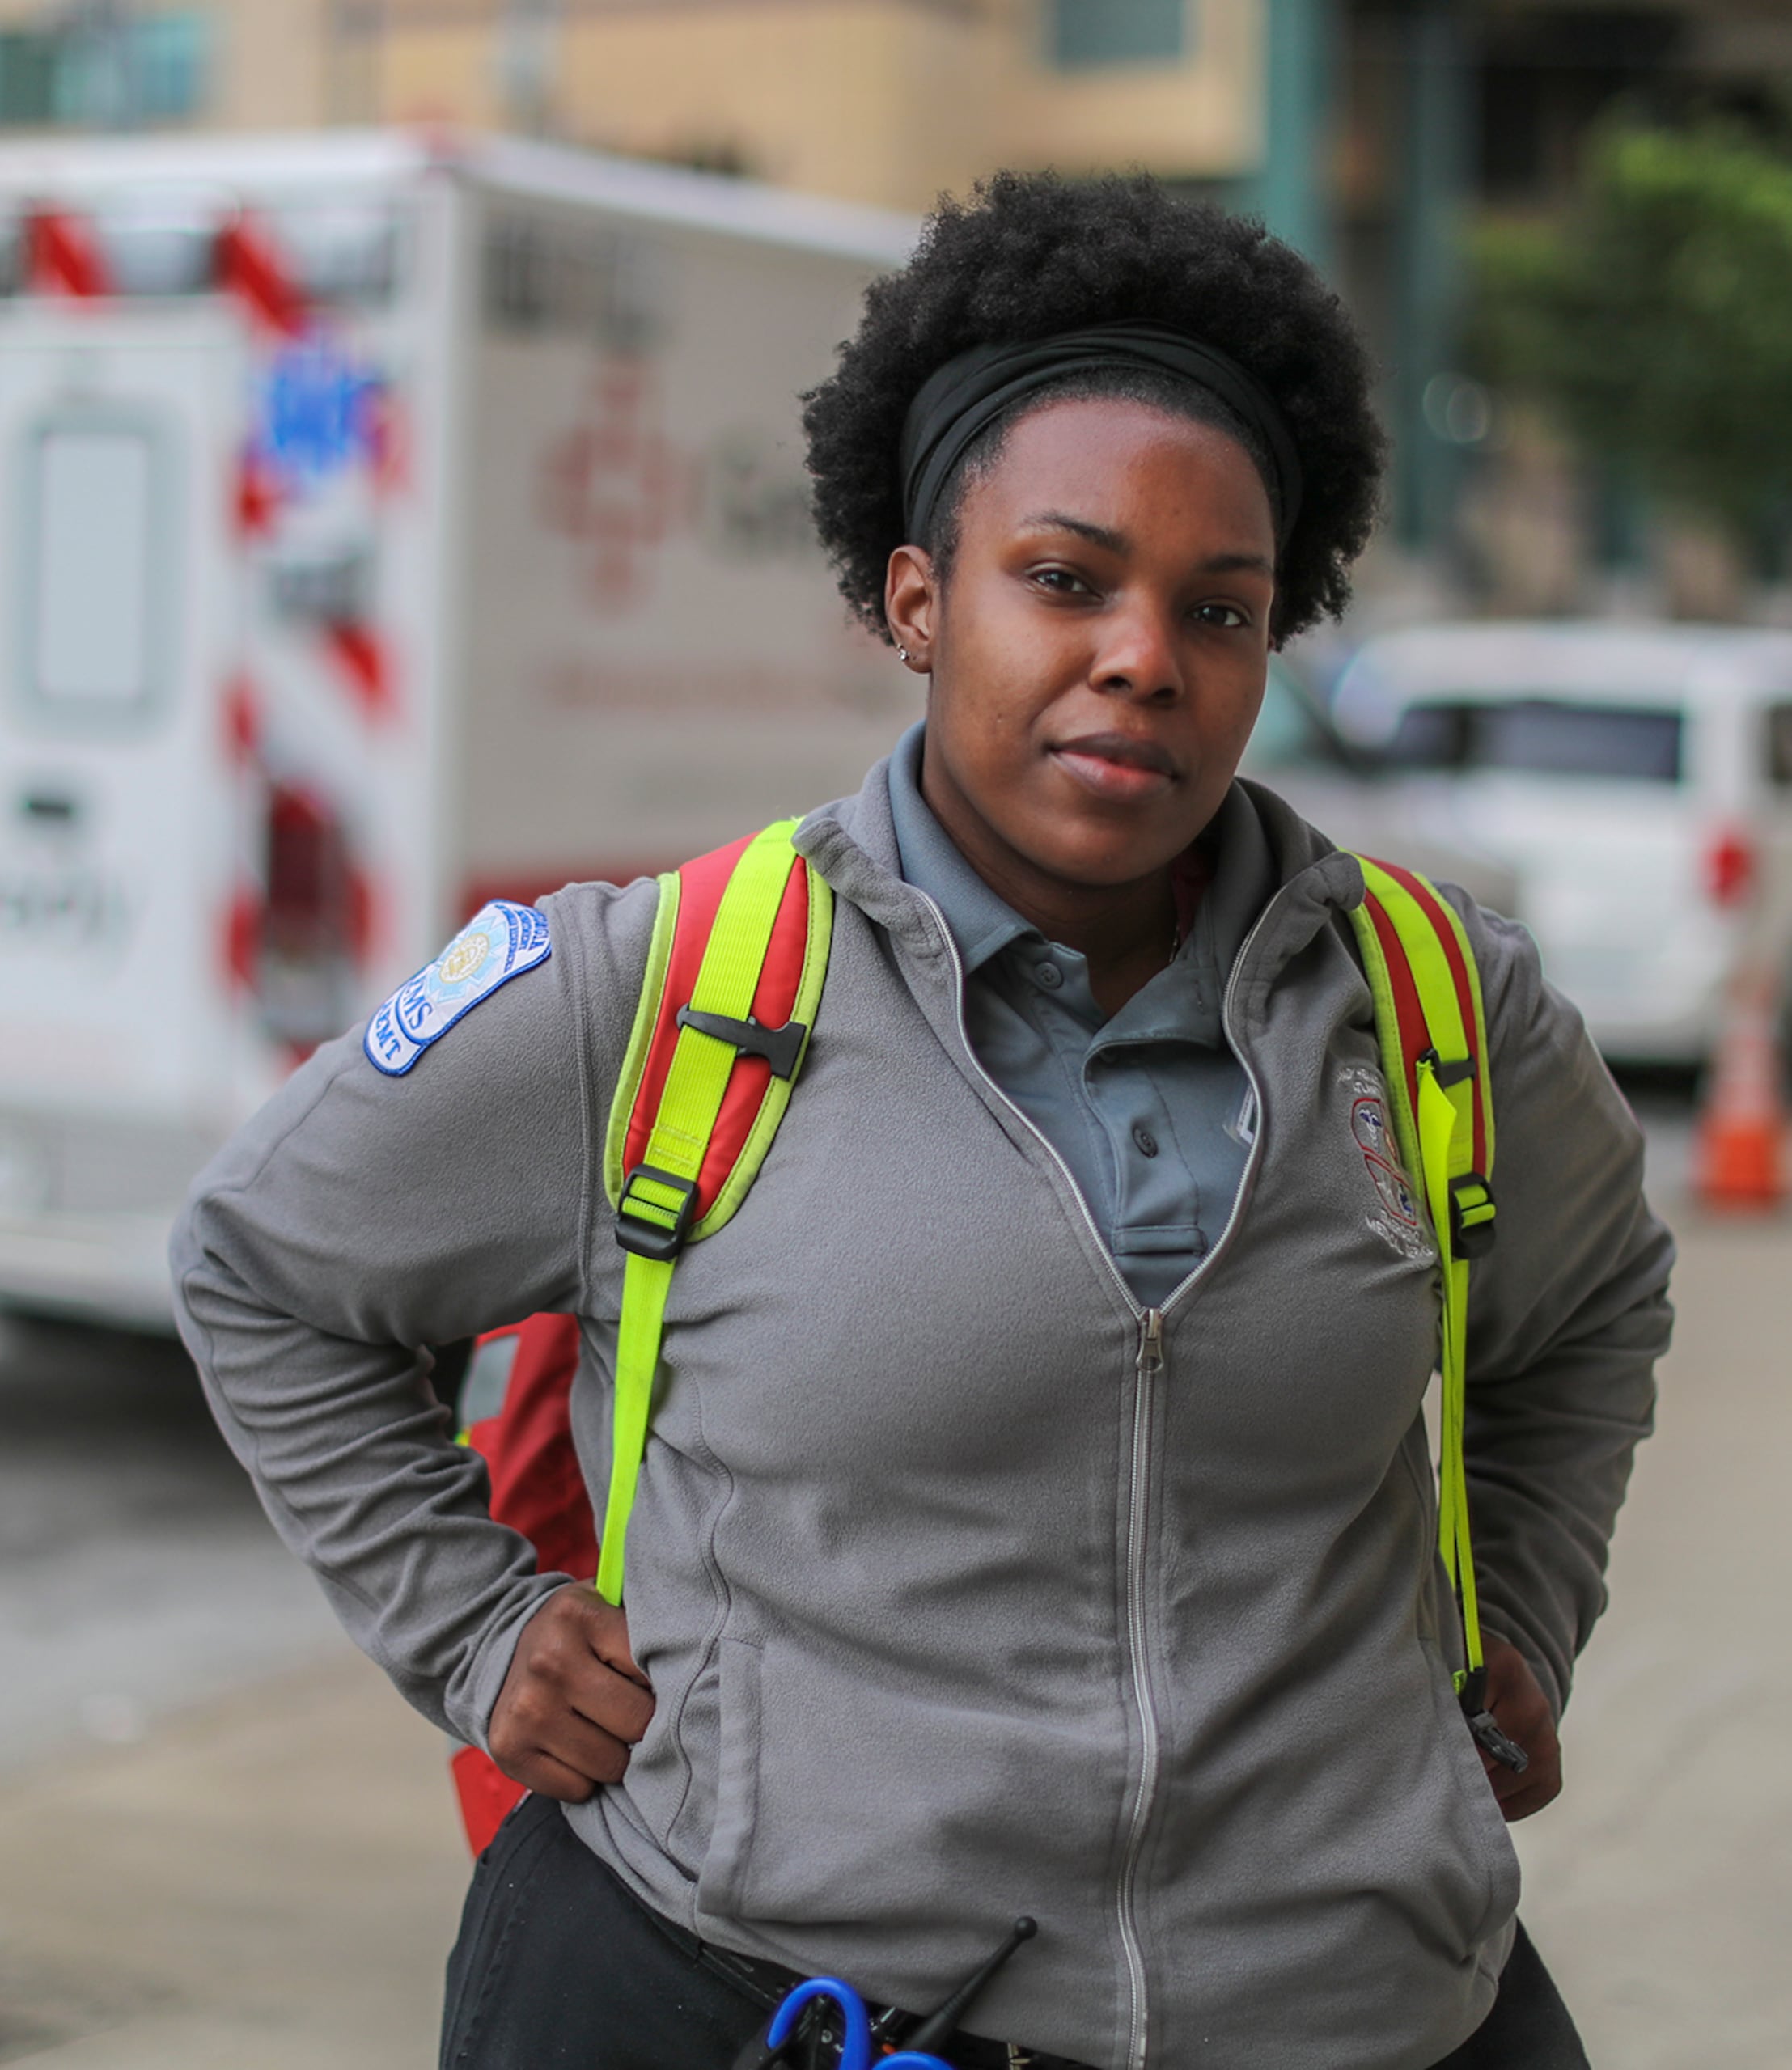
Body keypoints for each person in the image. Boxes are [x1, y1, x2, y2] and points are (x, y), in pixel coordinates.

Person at [173, 171, 1674, 2070]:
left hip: (1357, 2010)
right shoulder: (658, 988)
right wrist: (470, 1626)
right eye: (1066, 579)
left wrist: (1524, 1605)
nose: (1145, 654)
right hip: (781, 2001)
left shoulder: (1441, 1006)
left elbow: (1600, 1301)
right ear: (913, 597)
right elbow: (259, 1262)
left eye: (1219, 607)